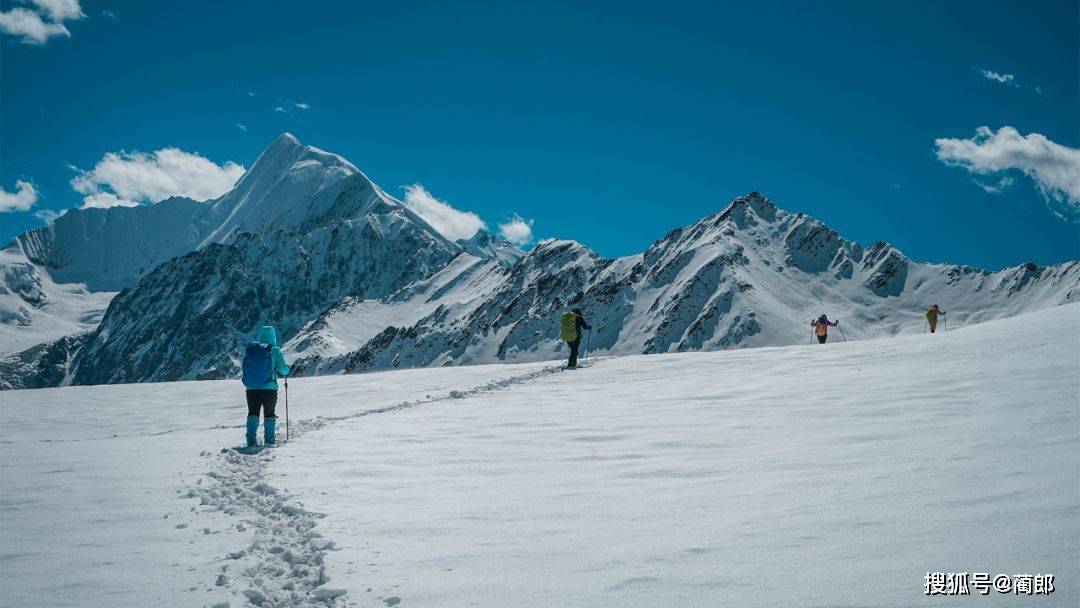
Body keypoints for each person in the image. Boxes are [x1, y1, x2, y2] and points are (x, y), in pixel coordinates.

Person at [241, 325, 291, 447]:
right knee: (269, 414)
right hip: (269, 389)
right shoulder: (275, 350)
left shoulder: (252, 350)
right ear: (273, 336)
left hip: (251, 389)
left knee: (252, 413)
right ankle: (269, 441)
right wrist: (287, 369)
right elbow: (283, 371)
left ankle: (251, 441)